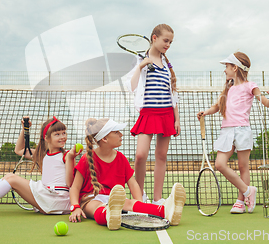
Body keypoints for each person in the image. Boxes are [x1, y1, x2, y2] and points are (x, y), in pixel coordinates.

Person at [197, 52, 269, 214]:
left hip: (242, 130)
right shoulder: (228, 89)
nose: (225, 70)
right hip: (226, 131)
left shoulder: (251, 86)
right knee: (220, 164)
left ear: (235, 68)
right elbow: (217, 106)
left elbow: (266, 103)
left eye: (227, 67)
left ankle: (241, 201)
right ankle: (248, 190)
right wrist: (205, 112)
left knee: (243, 167)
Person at [68, 118, 186, 230]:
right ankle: (108, 216)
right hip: (90, 200)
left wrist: (139, 204)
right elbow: (75, 187)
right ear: (105, 139)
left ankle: (166, 210)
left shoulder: (121, 158)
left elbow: (133, 184)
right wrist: (75, 207)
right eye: (116, 132)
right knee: (97, 206)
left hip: (115, 199)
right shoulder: (86, 159)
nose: (121, 134)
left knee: (131, 203)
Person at [124, 24, 179, 205]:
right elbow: (131, 86)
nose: (168, 45)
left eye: (170, 42)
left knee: (161, 156)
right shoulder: (140, 60)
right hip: (148, 114)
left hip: (166, 115)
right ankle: (139, 197)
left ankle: (157, 199)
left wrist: (176, 119)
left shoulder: (167, 66)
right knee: (140, 155)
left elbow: (173, 94)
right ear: (154, 38)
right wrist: (140, 67)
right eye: (165, 40)